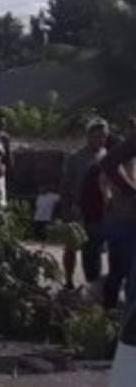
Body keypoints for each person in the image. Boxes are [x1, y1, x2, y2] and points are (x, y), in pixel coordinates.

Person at [61, 118, 109, 289]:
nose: (99, 140)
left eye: (103, 136)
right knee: (72, 246)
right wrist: (66, 210)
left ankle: (93, 285)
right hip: (78, 209)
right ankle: (68, 279)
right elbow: (66, 185)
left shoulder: (107, 156)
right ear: (88, 136)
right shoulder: (75, 157)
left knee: (94, 248)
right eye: (96, 136)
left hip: (98, 210)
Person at [101, 132, 136, 308]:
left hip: (123, 220)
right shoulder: (123, 163)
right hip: (123, 220)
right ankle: (111, 313)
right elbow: (105, 188)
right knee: (120, 273)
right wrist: (131, 192)